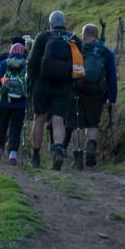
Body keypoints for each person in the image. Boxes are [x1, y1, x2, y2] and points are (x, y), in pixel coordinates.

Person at [27, 10, 83, 170]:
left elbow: (32, 61)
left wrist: (31, 80)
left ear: (50, 24)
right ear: (65, 23)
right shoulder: (74, 39)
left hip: (41, 84)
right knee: (59, 119)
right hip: (64, 86)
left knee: (39, 118)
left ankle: (36, 157)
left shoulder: (43, 37)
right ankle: (58, 149)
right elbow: (79, 65)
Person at [66, 23, 118, 169]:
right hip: (97, 93)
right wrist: (112, 99)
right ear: (96, 35)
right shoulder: (106, 52)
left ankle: (77, 158)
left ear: (84, 35)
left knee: (77, 125)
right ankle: (90, 150)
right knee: (93, 124)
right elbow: (112, 78)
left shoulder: (78, 49)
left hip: (78, 91)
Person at [0, 43, 28, 165]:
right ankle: (13, 155)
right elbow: (30, 83)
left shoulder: (4, 63)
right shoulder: (26, 64)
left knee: (2, 126)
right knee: (16, 129)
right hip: (20, 103)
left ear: (11, 51)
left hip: (4, 101)